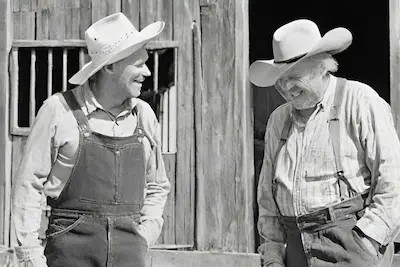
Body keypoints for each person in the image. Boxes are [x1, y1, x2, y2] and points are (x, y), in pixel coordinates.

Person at [12, 12, 171, 267]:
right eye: (139, 64)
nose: (148, 72)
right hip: (69, 256)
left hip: (129, 256)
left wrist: (145, 234)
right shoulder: (59, 110)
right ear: (110, 66)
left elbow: (157, 185)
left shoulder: (145, 115)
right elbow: (29, 185)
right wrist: (30, 255)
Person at [249, 19, 400, 267]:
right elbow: (268, 198)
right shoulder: (278, 120)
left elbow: (393, 181)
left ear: (322, 67)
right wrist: (273, 253)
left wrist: (368, 242)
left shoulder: (360, 101)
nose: (286, 87)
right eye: (280, 79)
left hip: (349, 246)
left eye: (294, 76)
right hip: (294, 248)